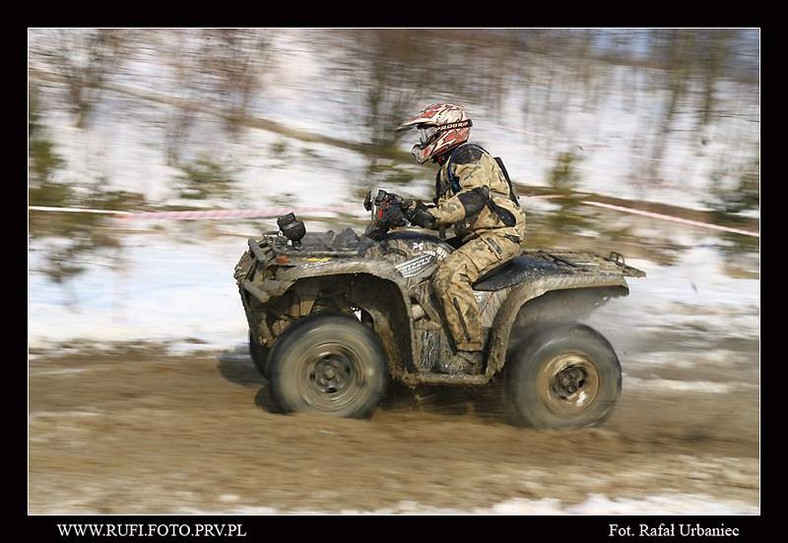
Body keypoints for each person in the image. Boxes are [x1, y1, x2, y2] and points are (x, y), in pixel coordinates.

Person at [397, 102, 526, 375]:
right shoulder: (449, 165)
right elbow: (445, 210)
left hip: (498, 234)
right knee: (421, 264)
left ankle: (470, 354)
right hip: (474, 236)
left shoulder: (468, 155)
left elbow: (473, 198)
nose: (425, 140)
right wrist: (407, 210)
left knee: (450, 275)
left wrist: (432, 216)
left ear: (448, 131)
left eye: (429, 133)